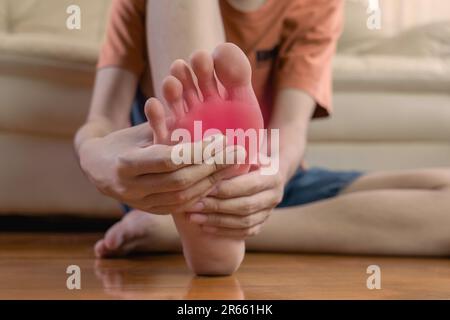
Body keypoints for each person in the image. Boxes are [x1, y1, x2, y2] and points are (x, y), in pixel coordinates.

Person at [75, 0, 450, 275]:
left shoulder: (316, 5)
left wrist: (268, 179)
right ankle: (202, 205)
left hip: (271, 179)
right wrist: (95, 154)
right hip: (166, 184)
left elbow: (290, 131)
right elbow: (102, 119)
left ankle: (201, 224)